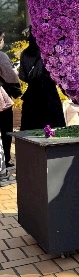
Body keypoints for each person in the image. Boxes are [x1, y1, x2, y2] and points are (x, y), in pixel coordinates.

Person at [19, 27, 66, 131]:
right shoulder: (49, 52)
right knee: (53, 130)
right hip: (49, 95)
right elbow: (58, 74)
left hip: (32, 96)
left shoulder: (25, 53)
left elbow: (22, 76)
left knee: (31, 132)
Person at [0, 31, 20, 175]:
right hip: (1, 98)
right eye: (2, 39)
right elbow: (10, 76)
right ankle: (6, 159)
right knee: (6, 128)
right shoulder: (1, 56)